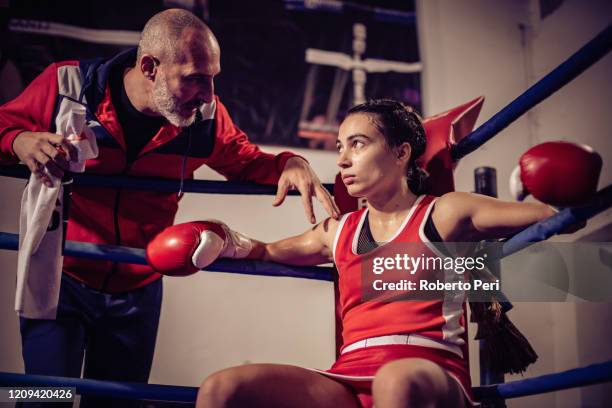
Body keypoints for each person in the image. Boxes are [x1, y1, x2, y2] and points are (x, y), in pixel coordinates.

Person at [0, 8, 339, 407]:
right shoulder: (67, 84)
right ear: (150, 67)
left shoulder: (206, 116)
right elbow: (4, 127)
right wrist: (19, 141)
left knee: (120, 404)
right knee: (39, 398)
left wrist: (289, 162)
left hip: (138, 289)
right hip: (59, 278)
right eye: (195, 77)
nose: (208, 93)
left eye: (212, 78)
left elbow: (245, 161)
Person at [151, 98, 582, 407]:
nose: (342, 160)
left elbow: (549, 217)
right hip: (349, 376)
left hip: (431, 373)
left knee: (397, 379)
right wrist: (221, 239)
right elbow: (261, 249)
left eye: (357, 144)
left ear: (400, 153)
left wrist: (550, 187)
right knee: (223, 389)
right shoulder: (339, 231)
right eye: (340, 147)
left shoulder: (445, 213)